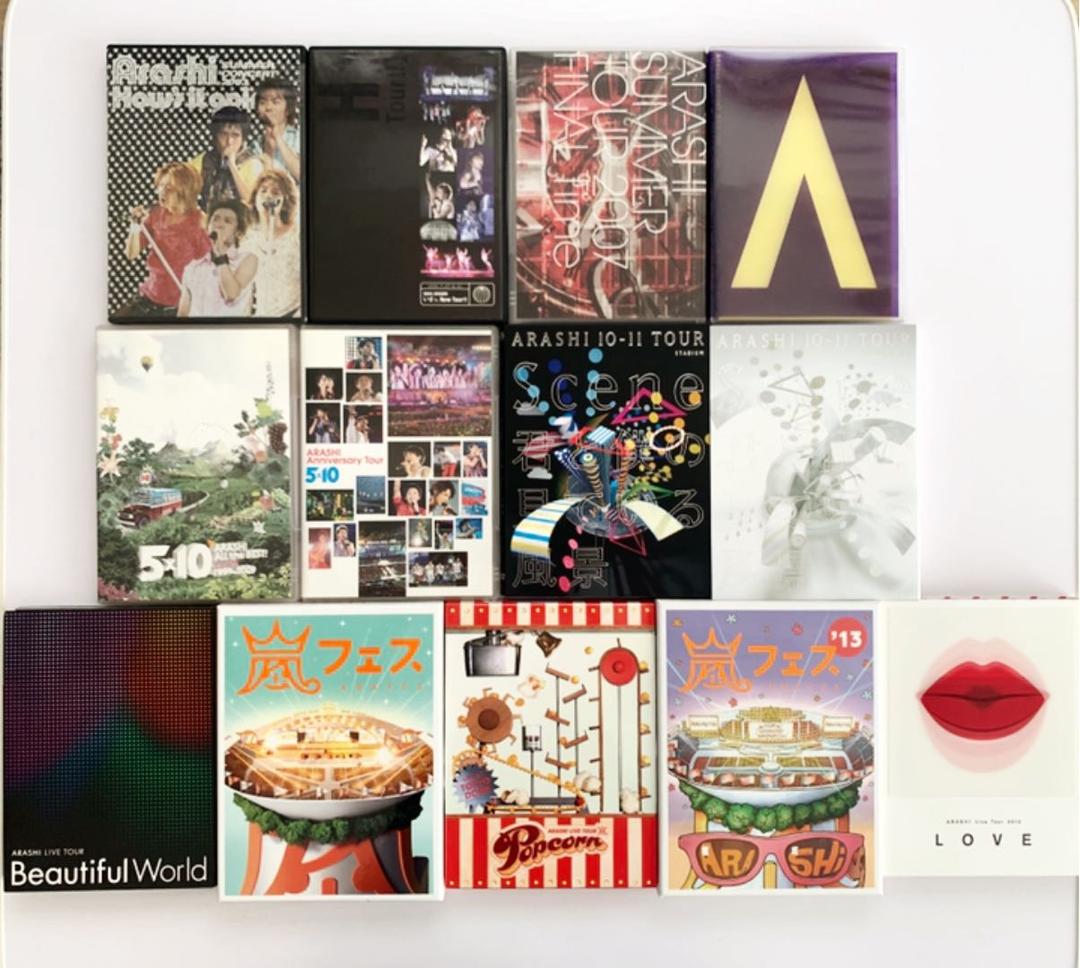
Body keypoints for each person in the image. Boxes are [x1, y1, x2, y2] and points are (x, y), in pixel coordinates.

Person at [121, 161, 210, 317]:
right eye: (160, 186)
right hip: (148, 298)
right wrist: (135, 226)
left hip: (179, 306)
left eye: (169, 188)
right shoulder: (155, 214)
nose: (161, 192)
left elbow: (209, 271)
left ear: (185, 190)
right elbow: (131, 254)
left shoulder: (201, 222)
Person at [177, 199, 257, 317]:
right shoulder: (193, 267)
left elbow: (231, 294)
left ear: (238, 233)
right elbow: (183, 313)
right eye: (215, 219)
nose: (219, 224)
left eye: (228, 221)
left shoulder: (248, 260)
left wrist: (220, 254)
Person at [241, 169, 301, 317]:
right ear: (255, 198)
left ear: (285, 201)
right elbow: (245, 292)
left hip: (293, 314)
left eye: (275, 192)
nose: (268, 196)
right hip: (264, 318)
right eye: (263, 191)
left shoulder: (297, 235)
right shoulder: (249, 240)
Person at [188, 106, 263, 210]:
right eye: (224, 134)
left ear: (243, 140)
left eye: (235, 135)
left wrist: (232, 166)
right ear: (215, 136)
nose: (229, 142)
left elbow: (252, 202)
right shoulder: (202, 160)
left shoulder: (253, 164)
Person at [254, 76, 301, 183]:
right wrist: (268, 151)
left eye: (275, 102)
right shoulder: (255, 144)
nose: (268, 107)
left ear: (288, 109)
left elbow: (302, 175)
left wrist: (278, 139)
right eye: (263, 102)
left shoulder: (298, 137)